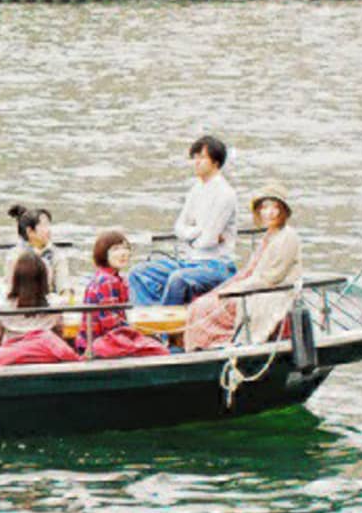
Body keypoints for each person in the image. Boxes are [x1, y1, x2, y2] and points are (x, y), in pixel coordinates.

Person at [186, 186, 304, 351]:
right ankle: (199, 347)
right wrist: (229, 286)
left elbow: (272, 278)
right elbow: (251, 270)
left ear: (283, 210)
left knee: (208, 307)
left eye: (275, 208)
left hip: (274, 291)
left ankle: (216, 344)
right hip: (257, 285)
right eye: (264, 208)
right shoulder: (270, 235)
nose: (269, 213)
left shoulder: (288, 237)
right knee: (200, 304)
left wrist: (238, 289)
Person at [128, 133, 240, 306]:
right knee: (138, 272)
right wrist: (197, 232)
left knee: (178, 279)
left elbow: (208, 240)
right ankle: (152, 315)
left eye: (202, 158)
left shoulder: (225, 194)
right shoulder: (196, 190)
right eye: (195, 157)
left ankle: (164, 320)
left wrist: (193, 235)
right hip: (189, 261)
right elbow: (179, 228)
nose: (196, 162)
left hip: (217, 265)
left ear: (215, 162)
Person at [78, 230, 168, 359]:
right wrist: (140, 333)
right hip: (102, 342)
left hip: (99, 340)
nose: (123, 253)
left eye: (125, 248)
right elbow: (111, 325)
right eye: (115, 249)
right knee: (160, 351)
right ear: (104, 253)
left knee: (154, 342)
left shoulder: (109, 277)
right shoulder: (107, 281)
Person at [0, 250, 78, 367]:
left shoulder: (3, 306)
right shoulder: (55, 304)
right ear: (44, 278)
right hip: (46, 363)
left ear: (16, 278)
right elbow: (59, 331)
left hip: (11, 362)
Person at [0, 204, 70, 302]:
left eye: (49, 225)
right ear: (30, 231)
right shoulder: (14, 256)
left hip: (49, 303)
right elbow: (9, 291)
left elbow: (64, 288)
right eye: (43, 225)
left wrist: (65, 298)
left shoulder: (57, 255)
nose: (48, 230)